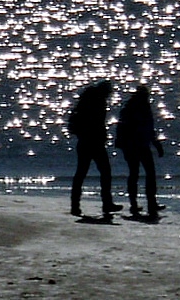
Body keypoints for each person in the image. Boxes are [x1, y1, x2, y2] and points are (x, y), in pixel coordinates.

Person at [69, 81, 121, 218]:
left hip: (85, 141)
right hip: (93, 141)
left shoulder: (88, 99)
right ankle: (106, 203)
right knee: (104, 172)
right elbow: (97, 122)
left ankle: (75, 205)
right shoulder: (98, 101)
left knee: (81, 173)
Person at [115, 85, 165, 218]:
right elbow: (146, 128)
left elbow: (149, 129)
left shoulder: (131, 107)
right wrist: (155, 144)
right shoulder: (136, 108)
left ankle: (143, 203)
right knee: (143, 173)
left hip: (137, 145)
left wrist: (156, 144)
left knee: (138, 174)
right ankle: (141, 203)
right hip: (136, 145)